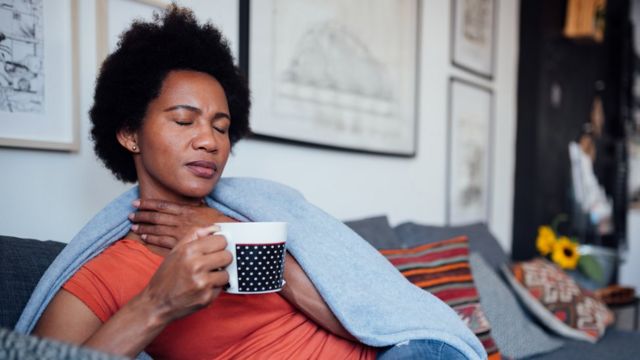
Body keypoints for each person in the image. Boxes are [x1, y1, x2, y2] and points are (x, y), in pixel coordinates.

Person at [26, 6, 482, 360]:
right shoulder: (104, 272)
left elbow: (365, 319)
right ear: (129, 134)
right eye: (185, 120)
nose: (209, 141)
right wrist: (156, 304)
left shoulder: (254, 213)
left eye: (222, 127)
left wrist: (236, 238)